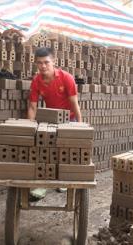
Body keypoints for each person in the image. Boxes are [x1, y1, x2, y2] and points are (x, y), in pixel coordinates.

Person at [27, 47, 82, 201]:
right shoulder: (37, 80)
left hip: (68, 118)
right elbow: (32, 106)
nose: (43, 66)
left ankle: (63, 180)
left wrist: (80, 125)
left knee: (64, 150)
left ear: (53, 62)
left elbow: (74, 104)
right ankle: (42, 184)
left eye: (46, 62)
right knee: (43, 147)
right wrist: (30, 126)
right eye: (39, 63)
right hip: (50, 119)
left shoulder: (66, 78)